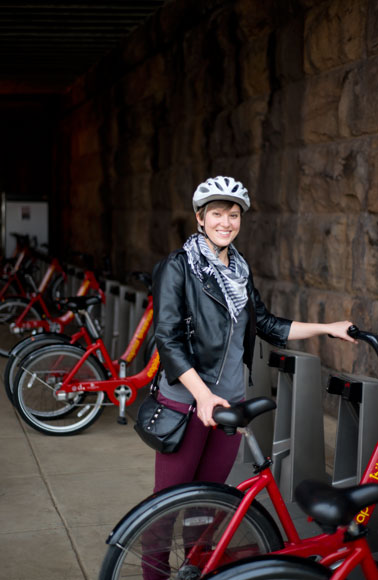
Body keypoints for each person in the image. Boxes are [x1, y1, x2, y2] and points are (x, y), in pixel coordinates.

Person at [152, 175, 355, 493]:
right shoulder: (177, 267)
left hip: (230, 402)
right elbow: (167, 338)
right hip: (188, 403)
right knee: (165, 505)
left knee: (209, 501)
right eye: (217, 213)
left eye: (234, 215)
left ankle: (201, 547)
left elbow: (267, 324)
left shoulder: (239, 273)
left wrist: (328, 328)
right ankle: (156, 547)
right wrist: (203, 396)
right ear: (200, 217)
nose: (226, 223)